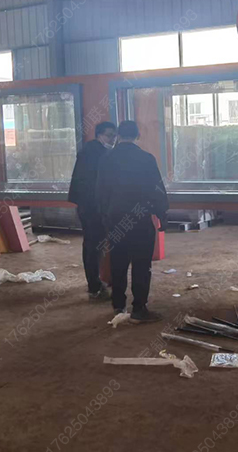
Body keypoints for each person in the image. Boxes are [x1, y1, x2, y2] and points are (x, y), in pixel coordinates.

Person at [96, 120, 169, 323]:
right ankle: (139, 309)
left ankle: (118, 306)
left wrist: (105, 216)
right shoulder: (146, 158)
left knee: (118, 263)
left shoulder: (106, 159)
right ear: (138, 135)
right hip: (140, 219)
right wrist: (161, 214)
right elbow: (156, 189)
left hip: (116, 219)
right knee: (141, 264)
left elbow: (100, 192)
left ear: (119, 135)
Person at [68, 121, 117, 300]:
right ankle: (94, 286)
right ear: (99, 135)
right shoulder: (99, 154)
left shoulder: (89, 151)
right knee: (94, 245)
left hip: (86, 205)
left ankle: (95, 283)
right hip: (93, 207)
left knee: (92, 244)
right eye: (109, 135)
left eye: (114, 136)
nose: (112, 139)